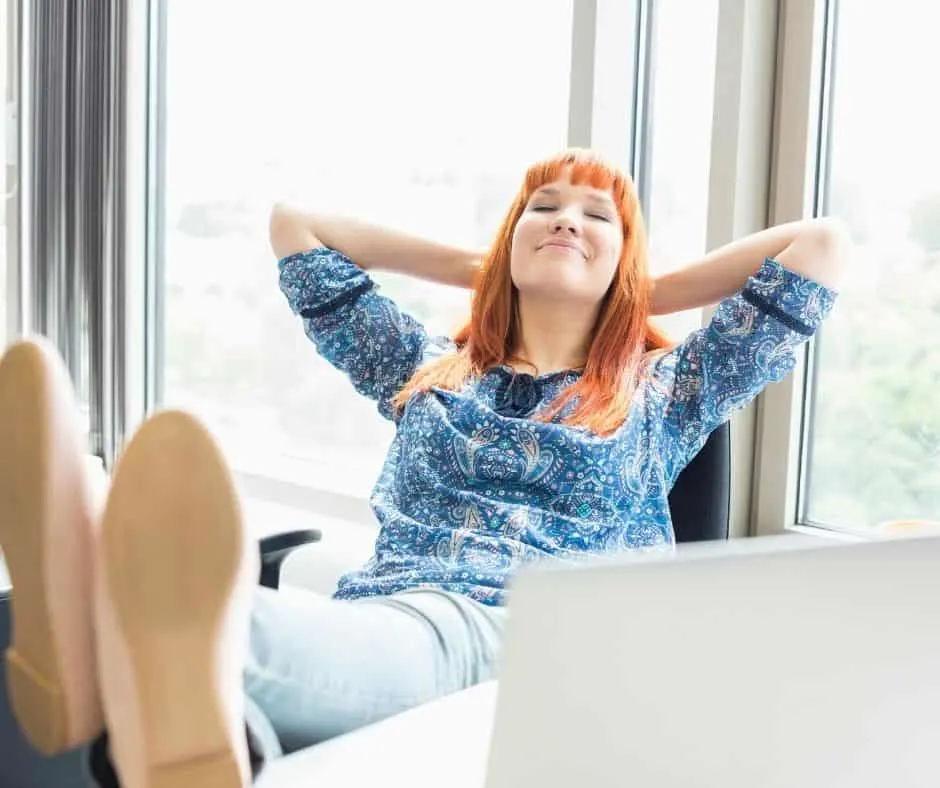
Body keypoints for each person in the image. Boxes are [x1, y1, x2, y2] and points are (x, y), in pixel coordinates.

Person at [0, 148, 847, 787]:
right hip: (395, 616)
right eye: (542, 208)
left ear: (624, 255)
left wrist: (638, 289)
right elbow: (297, 226)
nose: (566, 220)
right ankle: (144, 667)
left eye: (598, 217)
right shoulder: (424, 370)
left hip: (540, 645)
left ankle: (91, 615)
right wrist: (489, 276)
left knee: (217, 628)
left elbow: (819, 245)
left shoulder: (669, 392)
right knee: (234, 708)